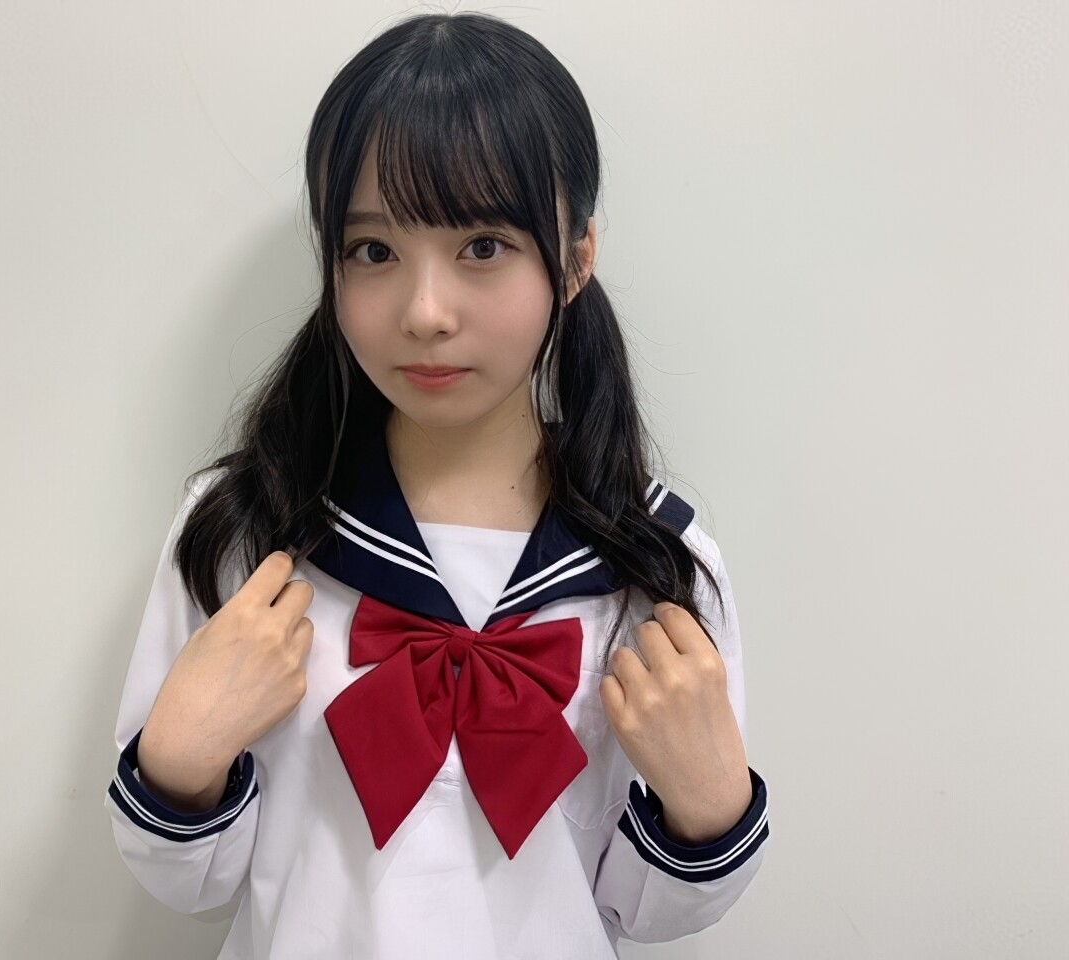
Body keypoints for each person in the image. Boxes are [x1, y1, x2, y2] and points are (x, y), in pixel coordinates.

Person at [105, 11, 771, 957]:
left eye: (483, 246)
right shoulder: (245, 530)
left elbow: (648, 914)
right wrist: (179, 759)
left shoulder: (657, 563)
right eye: (374, 251)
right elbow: (191, 885)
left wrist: (709, 807)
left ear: (576, 259)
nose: (424, 312)